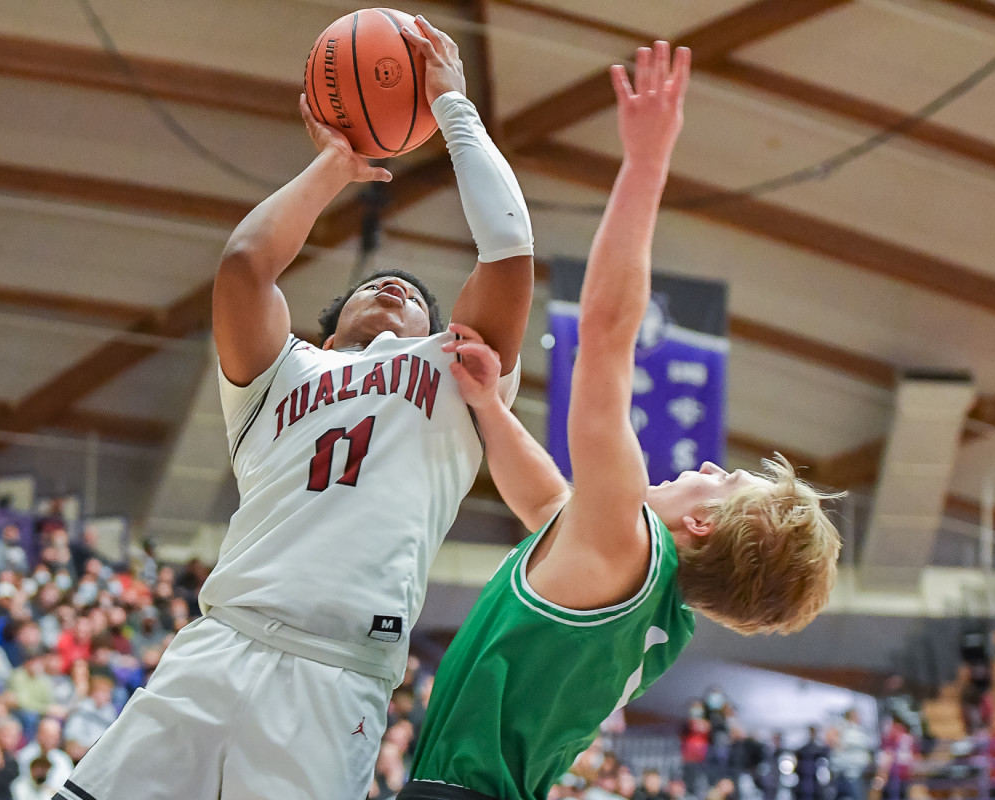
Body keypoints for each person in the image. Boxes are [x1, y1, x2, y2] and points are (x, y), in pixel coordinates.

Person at [55, 13, 534, 800]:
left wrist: (454, 109)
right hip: (220, 644)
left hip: (336, 674)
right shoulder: (278, 373)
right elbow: (246, 264)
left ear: (435, 329)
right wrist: (332, 167)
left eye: (414, 297)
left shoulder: (458, 374)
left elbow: (508, 248)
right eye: (376, 286)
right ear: (331, 323)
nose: (394, 288)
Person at [397, 42, 841, 800]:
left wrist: (645, 164)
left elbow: (605, 332)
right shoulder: (657, 611)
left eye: (723, 482)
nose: (706, 468)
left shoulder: (624, 538)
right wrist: (489, 414)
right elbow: (548, 509)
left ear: (702, 526)